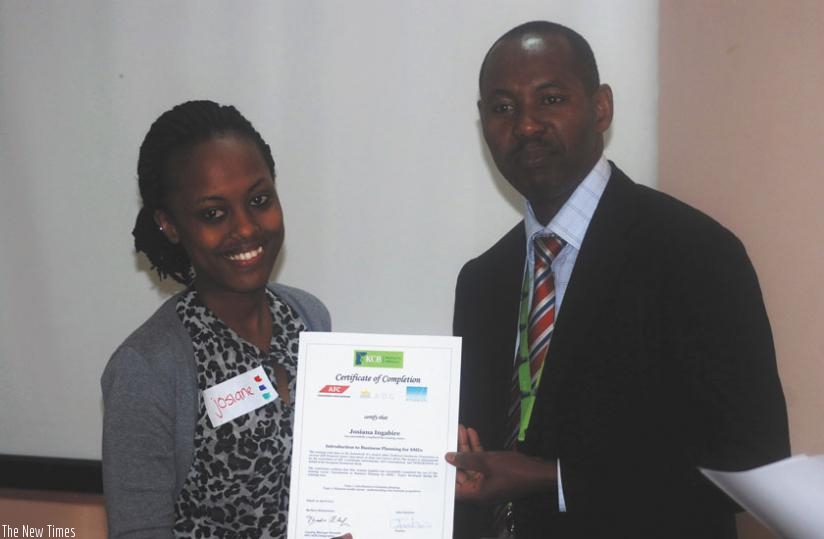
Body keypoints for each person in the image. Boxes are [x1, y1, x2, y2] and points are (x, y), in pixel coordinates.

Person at [445, 21, 790, 538]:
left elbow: (753, 466)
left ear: (601, 107)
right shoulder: (481, 281)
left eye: (551, 99)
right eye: (503, 108)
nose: (527, 126)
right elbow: (479, 464)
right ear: (482, 123)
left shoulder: (695, 252)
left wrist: (552, 478)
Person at [101, 100, 350, 538]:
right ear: (170, 225)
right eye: (213, 213)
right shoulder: (147, 368)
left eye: (259, 200)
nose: (247, 228)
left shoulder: (309, 317)